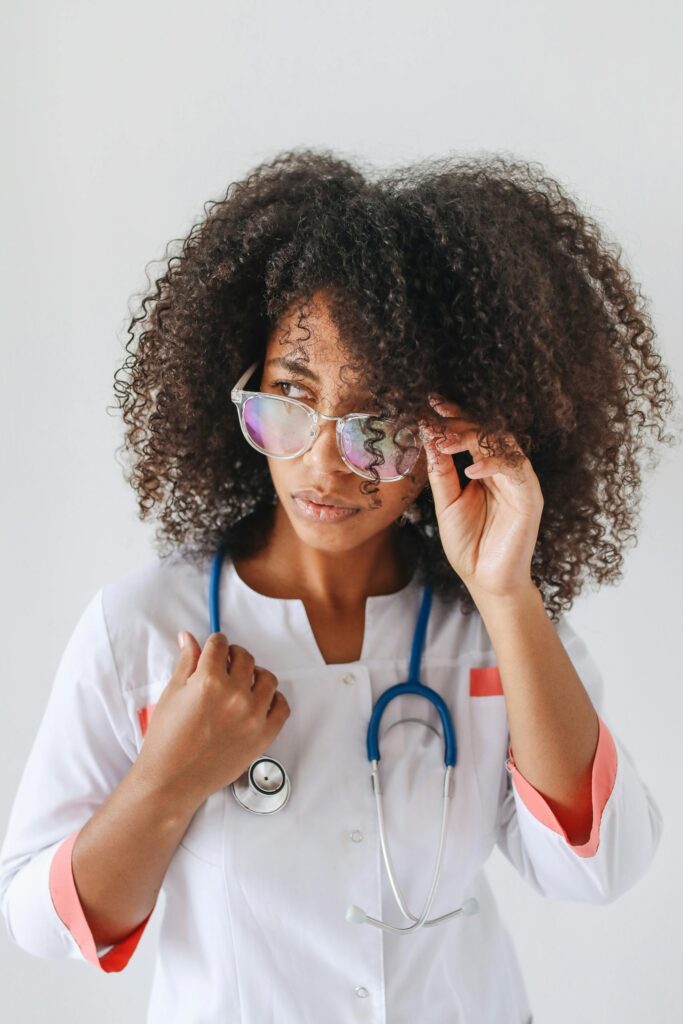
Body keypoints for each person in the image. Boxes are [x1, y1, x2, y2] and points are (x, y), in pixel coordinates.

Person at [0, 150, 675, 1024]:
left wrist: (507, 594)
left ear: (454, 429)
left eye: (380, 424)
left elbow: (601, 868)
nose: (322, 461)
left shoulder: (491, 632)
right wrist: (165, 782)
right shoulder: (142, 629)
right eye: (290, 394)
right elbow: (39, 924)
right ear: (236, 385)